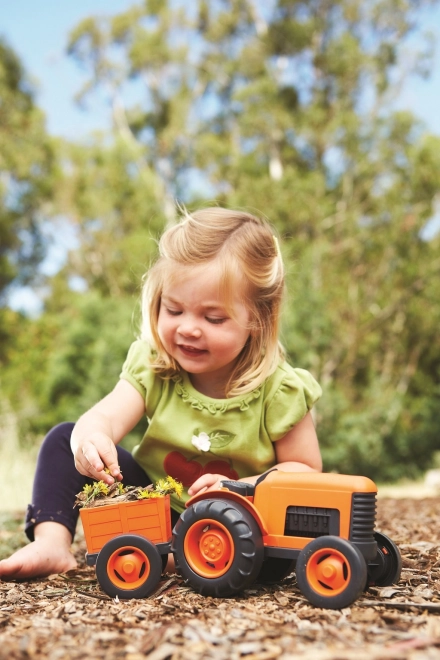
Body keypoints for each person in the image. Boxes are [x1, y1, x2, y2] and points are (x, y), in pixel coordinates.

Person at [0, 207, 322, 581]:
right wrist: (92, 440)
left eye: (213, 318)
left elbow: (306, 469)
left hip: (239, 523)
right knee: (63, 439)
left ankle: (182, 557)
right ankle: (53, 543)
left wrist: (240, 489)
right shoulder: (156, 366)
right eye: (174, 309)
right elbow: (106, 415)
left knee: (272, 548)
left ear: (258, 319)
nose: (188, 328)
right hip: (155, 507)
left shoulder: (278, 388)